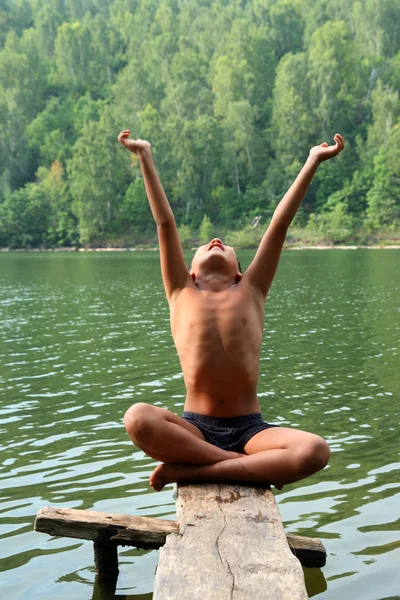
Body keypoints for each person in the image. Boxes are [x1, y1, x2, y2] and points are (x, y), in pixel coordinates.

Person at [118, 129, 344, 492]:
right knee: (137, 418)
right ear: (190, 269)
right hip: (194, 429)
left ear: (240, 270)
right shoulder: (180, 290)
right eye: (207, 244)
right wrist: (144, 155)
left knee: (315, 450)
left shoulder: (252, 289)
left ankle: (196, 471)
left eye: (224, 245)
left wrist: (312, 161)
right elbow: (165, 223)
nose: (216, 241)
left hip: (250, 430)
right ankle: (240, 466)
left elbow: (279, 225)